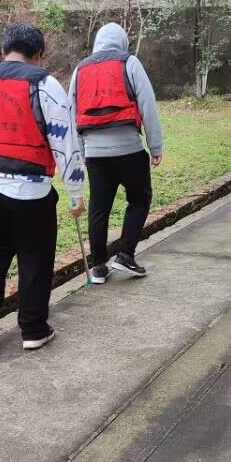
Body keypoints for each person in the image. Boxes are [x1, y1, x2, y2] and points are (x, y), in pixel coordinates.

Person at [0, 24, 86, 350]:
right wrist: (75, 191)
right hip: (31, 190)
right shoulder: (44, 83)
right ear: (39, 54)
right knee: (34, 255)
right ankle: (33, 329)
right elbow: (65, 141)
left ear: (3, 51)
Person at [68, 23, 164, 283]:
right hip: (129, 151)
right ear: (122, 42)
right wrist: (155, 146)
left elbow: (72, 113)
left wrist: (82, 154)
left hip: (95, 155)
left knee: (99, 208)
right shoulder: (129, 63)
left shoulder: (80, 69)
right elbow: (147, 103)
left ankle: (99, 267)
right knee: (140, 199)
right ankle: (125, 255)